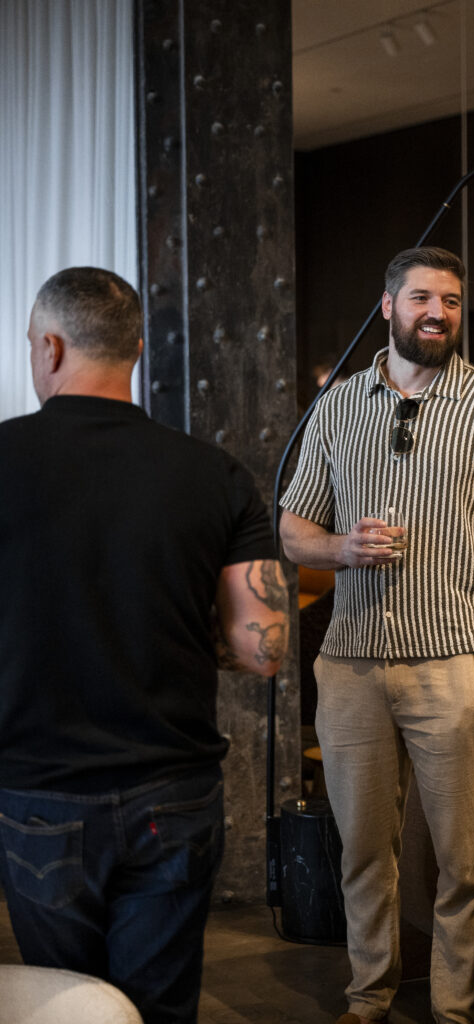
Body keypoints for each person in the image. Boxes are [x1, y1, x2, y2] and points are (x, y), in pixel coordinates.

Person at [0, 267, 289, 1024]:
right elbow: (262, 649)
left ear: (51, 347)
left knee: (65, 1007)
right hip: (174, 789)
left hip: (40, 792)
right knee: (159, 1009)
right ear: (134, 351)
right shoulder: (215, 474)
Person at [280, 246, 474, 1024]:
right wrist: (339, 549)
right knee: (361, 853)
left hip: (451, 665)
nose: (437, 313)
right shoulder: (340, 403)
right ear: (387, 306)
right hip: (349, 665)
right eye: (422, 297)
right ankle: (368, 997)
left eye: (451, 301)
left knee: (461, 860)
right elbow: (291, 530)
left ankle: (455, 1011)